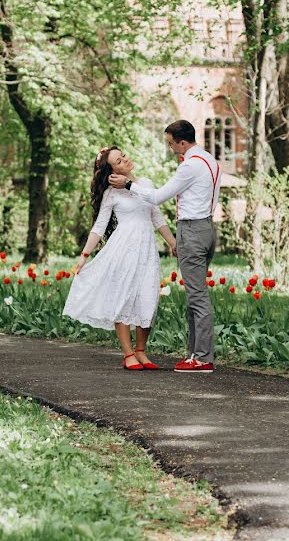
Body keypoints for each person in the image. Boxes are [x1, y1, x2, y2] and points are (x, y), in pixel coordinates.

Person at [108, 120, 220, 373]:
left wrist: (128, 185)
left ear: (182, 142)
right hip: (208, 229)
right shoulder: (209, 160)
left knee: (197, 296)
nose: (170, 148)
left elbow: (158, 197)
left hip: (192, 230)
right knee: (196, 294)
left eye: (171, 143)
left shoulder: (189, 166)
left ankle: (201, 358)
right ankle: (195, 354)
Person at [63, 146, 177, 370]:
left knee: (147, 296)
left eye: (123, 155)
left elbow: (157, 218)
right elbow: (99, 226)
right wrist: (84, 255)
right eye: (118, 160)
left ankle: (141, 351)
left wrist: (172, 242)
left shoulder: (146, 184)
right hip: (123, 249)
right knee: (123, 297)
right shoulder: (111, 194)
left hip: (147, 250)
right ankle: (128, 354)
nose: (125, 160)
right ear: (112, 171)